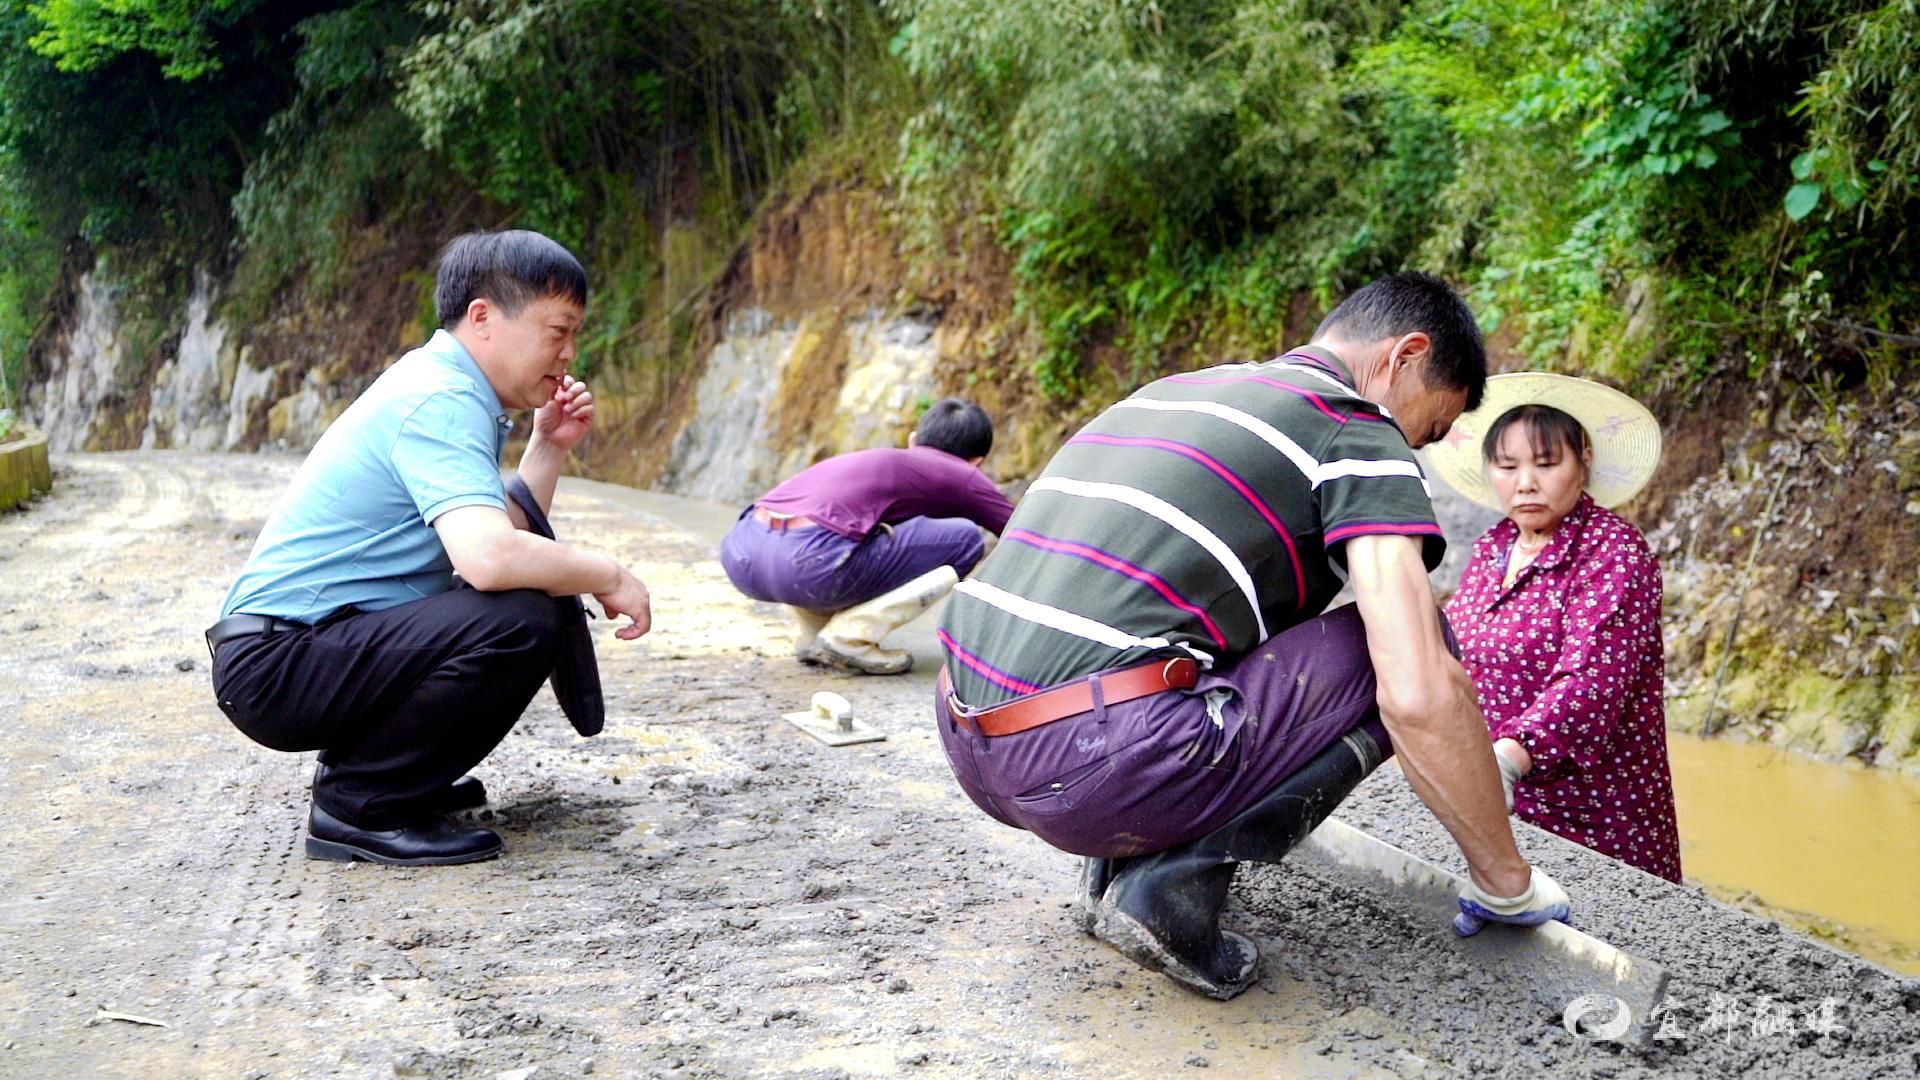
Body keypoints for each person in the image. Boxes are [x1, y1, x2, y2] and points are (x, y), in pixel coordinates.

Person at [933, 272, 1571, 1000]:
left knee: (1230, 627)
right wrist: (1506, 882)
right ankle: (1166, 889)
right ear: (1403, 359)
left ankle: (1119, 862)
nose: (1414, 448)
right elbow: (1420, 693)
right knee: (1417, 639)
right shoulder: (1356, 425)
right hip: (1091, 772)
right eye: (1426, 426)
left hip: (967, 735)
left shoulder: (1174, 390)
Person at [208, 230, 652, 867]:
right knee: (523, 617)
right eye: (558, 331)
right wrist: (606, 574)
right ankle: (359, 802)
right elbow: (491, 559)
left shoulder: (443, 387)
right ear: (483, 318)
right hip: (278, 663)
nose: (569, 353)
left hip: (296, 651)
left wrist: (547, 447)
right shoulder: (439, 399)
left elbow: (500, 534)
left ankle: (385, 781)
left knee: (524, 600)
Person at [1427, 374, 1681, 882]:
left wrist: (1506, 760)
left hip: (1596, 815)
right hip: (1495, 806)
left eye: (1546, 464)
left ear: (1583, 459)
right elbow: (1452, 654)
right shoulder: (1493, 548)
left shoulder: (1615, 554)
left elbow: (1591, 681)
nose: (1525, 483)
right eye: (1507, 465)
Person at [719, 398, 1013, 675]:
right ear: (977, 461)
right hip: (807, 563)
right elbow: (1023, 530)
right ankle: (849, 637)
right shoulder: (964, 475)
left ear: (913, 440)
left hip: (743, 553)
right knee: (966, 539)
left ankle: (814, 635)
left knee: (864, 536)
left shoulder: (867, 461)